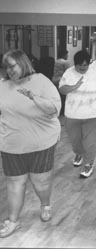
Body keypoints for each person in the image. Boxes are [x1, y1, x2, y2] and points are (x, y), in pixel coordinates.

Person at [0, 49, 61, 238]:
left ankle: (45, 204)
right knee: (15, 182)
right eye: (6, 67)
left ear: (23, 63)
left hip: (40, 142)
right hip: (11, 143)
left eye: (12, 66)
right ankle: (13, 221)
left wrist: (33, 97)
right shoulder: (3, 85)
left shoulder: (41, 81)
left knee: (40, 181)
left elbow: (54, 110)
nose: (9, 70)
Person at [59, 50, 96, 178]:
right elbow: (62, 89)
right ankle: (79, 153)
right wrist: (74, 86)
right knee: (75, 142)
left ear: (89, 63)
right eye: (79, 65)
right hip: (73, 114)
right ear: (75, 64)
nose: (82, 67)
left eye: (85, 65)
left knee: (90, 142)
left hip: (94, 114)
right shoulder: (69, 73)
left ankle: (88, 164)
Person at [52, 49, 70, 115]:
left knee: (57, 95)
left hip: (54, 79)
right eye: (67, 54)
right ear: (64, 55)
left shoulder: (56, 61)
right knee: (63, 96)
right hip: (61, 80)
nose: (67, 56)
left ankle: (57, 109)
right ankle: (63, 111)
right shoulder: (65, 63)